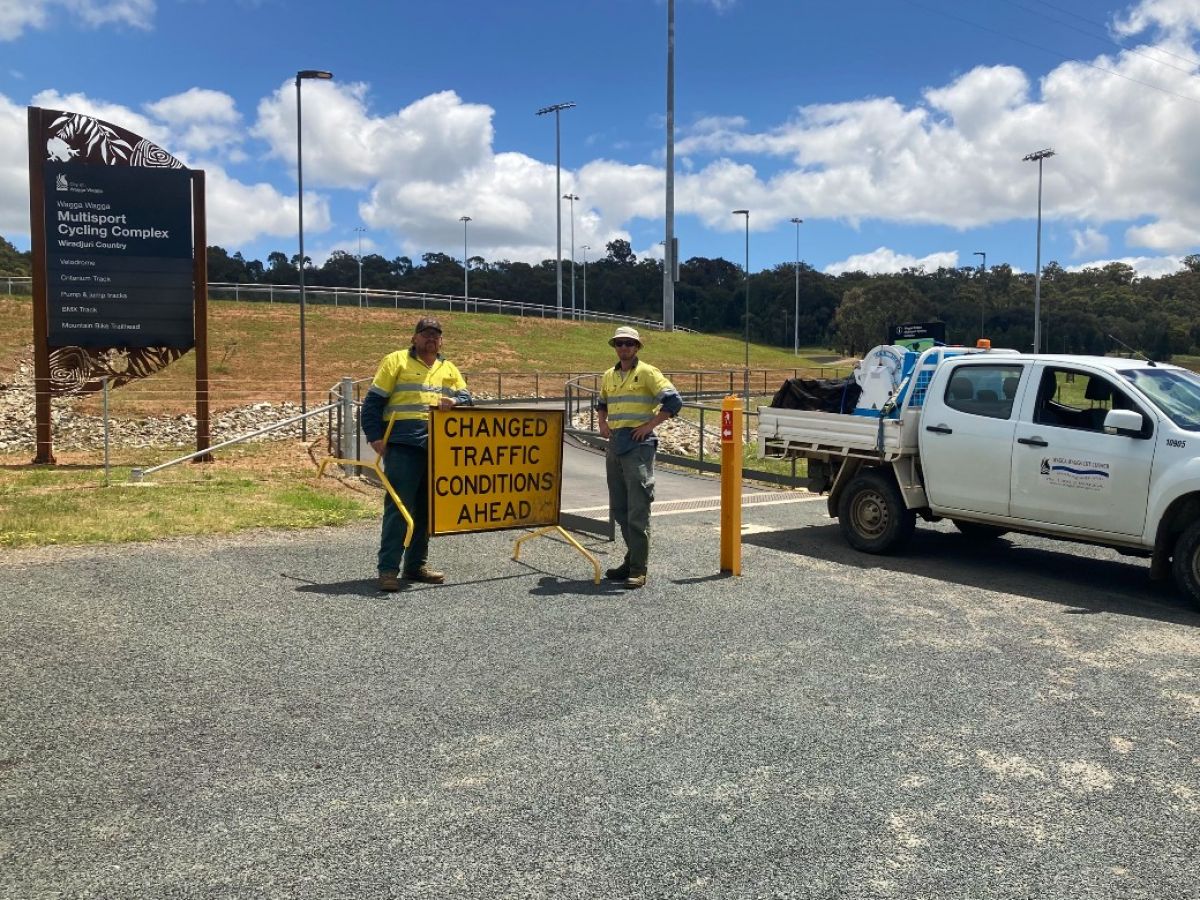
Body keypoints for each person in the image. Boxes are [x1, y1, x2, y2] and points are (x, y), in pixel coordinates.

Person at [361, 317, 470, 591]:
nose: (431, 339)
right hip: (403, 445)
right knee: (399, 507)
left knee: (426, 510)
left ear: (441, 340)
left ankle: (415, 566)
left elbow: (468, 399)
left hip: (438, 448)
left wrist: (455, 401)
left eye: (436, 335)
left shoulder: (449, 367)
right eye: (425, 334)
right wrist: (374, 437)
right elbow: (373, 402)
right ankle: (388, 570)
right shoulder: (395, 361)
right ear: (414, 338)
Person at [596, 326, 683, 589]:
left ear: (637, 348)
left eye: (629, 344)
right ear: (614, 346)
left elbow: (674, 400)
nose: (624, 348)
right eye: (620, 343)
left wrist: (649, 426)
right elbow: (602, 402)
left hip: (638, 446)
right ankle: (630, 559)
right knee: (620, 508)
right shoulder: (608, 375)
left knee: (638, 508)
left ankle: (638, 568)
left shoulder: (647, 372)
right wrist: (602, 423)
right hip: (616, 445)